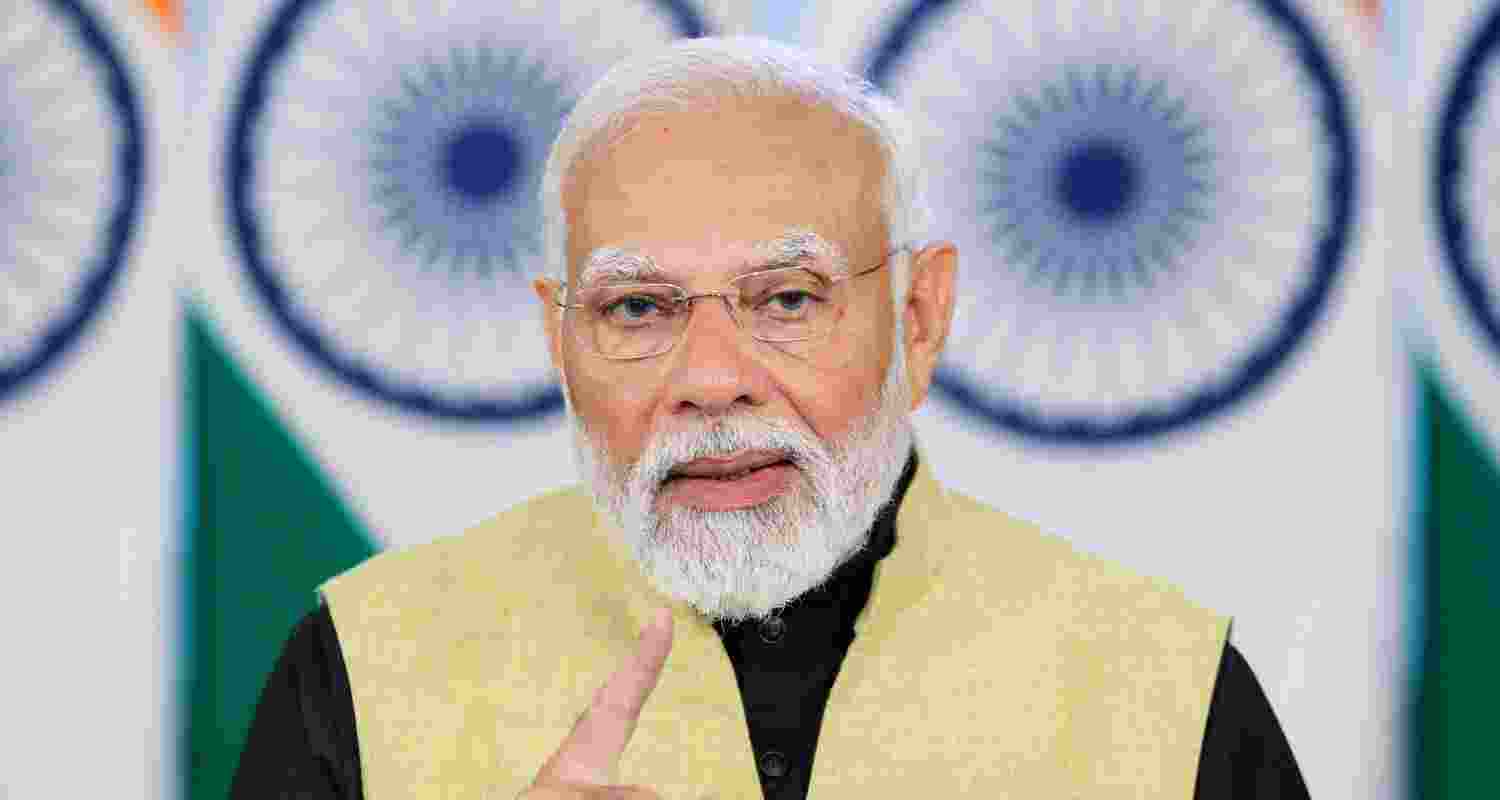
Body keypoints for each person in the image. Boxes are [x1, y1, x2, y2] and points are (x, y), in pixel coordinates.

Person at [232, 36, 1308, 800]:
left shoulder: (1160, 682)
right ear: (560, 339)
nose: (711, 378)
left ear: (920, 317)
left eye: (787, 299)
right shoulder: (368, 660)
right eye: (639, 307)